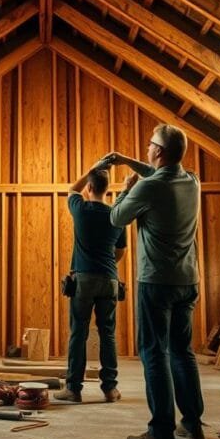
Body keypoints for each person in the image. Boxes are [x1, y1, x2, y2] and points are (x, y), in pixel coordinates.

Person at [103, 123, 204, 439]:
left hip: (156, 282)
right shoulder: (191, 181)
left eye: (149, 145)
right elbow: (159, 172)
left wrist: (125, 187)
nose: (146, 149)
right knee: (182, 351)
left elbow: (116, 218)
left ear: (158, 151)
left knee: (153, 353)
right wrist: (128, 160)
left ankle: (161, 431)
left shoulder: (147, 188)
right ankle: (191, 424)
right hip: (187, 281)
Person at [54, 165, 127, 403]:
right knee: (108, 334)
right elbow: (119, 252)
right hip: (109, 280)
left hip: (84, 279)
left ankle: (73, 389)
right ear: (107, 189)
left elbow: (71, 189)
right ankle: (110, 389)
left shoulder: (81, 209)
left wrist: (93, 167)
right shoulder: (117, 215)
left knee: (79, 333)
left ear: (90, 187)